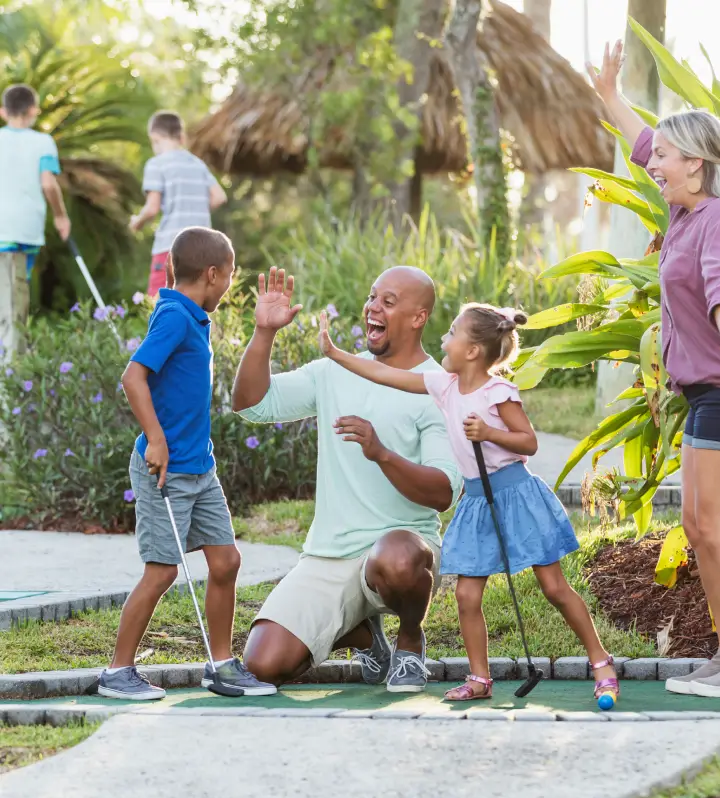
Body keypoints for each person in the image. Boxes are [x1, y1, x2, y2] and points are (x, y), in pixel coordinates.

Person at [588, 41, 720, 698]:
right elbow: (642, 137)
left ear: (697, 164)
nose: (656, 165)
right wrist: (609, 93)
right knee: (701, 526)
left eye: (668, 159)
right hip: (711, 390)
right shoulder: (686, 205)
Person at [317, 303, 619, 702]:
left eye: (453, 332)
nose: (444, 338)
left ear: (473, 350)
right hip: (478, 502)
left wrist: (490, 432)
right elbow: (388, 375)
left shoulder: (499, 392)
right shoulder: (444, 385)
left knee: (554, 587)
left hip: (516, 495)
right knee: (466, 595)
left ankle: (601, 662)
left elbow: (528, 441)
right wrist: (336, 353)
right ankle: (480, 678)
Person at [232, 266, 462, 693]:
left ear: (418, 317)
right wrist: (264, 333)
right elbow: (250, 405)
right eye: (372, 297)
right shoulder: (332, 371)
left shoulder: (438, 389)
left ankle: (410, 644)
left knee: (395, 558)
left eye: (388, 302)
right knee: (262, 664)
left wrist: (381, 454)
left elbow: (443, 493)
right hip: (329, 556)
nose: (373, 307)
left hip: (402, 551)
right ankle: (366, 637)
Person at [99, 227, 275, 700]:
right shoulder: (176, 316)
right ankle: (117, 672)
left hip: (200, 468)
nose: (228, 287)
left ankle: (220, 665)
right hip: (166, 469)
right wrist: (155, 438)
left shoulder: (193, 316)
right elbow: (133, 376)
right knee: (162, 571)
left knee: (226, 560)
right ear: (213, 274)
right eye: (230, 278)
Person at [0, 84, 70, 361]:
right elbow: (48, 184)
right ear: (34, 111)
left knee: (8, 299)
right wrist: (61, 216)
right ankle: (10, 371)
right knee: (14, 300)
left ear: (3, 112)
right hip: (22, 232)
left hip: (9, 232)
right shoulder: (43, 142)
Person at [130, 111, 228, 297]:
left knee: (159, 303)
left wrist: (137, 222)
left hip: (171, 246)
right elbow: (219, 197)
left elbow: (152, 209)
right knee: (201, 307)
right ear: (181, 137)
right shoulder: (197, 164)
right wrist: (195, 210)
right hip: (203, 249)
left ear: (155, 138)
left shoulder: (156, 164)